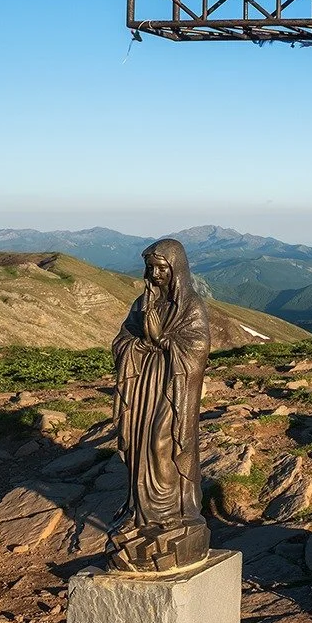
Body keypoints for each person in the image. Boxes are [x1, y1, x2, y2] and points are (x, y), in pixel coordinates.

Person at [110, 238, 211, 571]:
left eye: (162, 268)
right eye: (151, 267)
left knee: (160, 442)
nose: (154, 274)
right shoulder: (142, 303)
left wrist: (164, 341)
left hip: (174, 385)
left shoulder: (190, 305)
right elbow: (122, 340)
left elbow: (197, 346)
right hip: (144, 386)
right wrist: (138, 345)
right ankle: (143, 512)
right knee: (141, 445)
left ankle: (170, 511)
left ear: (176, 269)